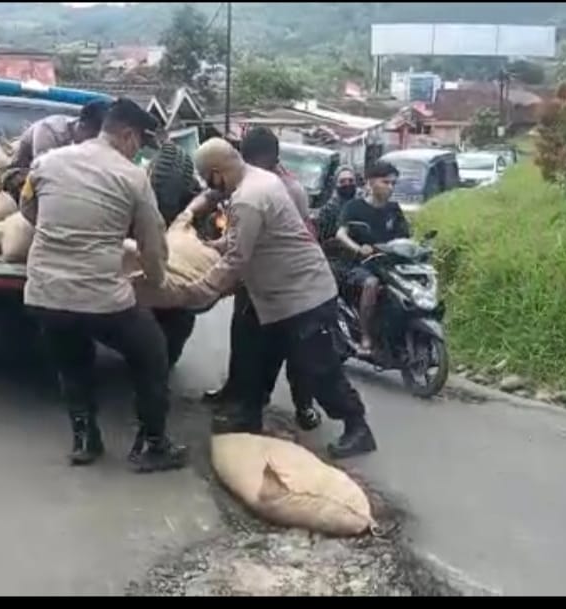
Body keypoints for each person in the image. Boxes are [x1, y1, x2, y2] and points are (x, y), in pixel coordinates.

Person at [172, 138, 377, 459]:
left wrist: (197, 291)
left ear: (217, 172)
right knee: (255, 358)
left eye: (208, 179)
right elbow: (248, 238)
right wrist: (213, 246)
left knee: (318, 367)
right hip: (272, 296)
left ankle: (358, 427)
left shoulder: (249, 197)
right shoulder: (260, 179)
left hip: (303, 295)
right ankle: (248, 417)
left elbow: (237, 260)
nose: (210, 188)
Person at [25, 98, 189, 473]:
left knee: (71, 360)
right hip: (101, 297)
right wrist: (158, 282)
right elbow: (153, 243)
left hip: (44, 293)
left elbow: (28, 210)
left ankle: (85, 439)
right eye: (138, 143)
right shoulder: (133, 177)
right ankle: (153, 444)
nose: (137, 151)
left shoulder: (47, 162)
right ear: (127, 135)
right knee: (152, 353)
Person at [200, 127, 321, 432]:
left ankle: (301, 405)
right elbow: (237, 235)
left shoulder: (285, 188)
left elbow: (264, 244)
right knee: (245, 341)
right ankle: (240, 396)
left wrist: (203, 288)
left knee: (290, 351)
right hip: (256, 278)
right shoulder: (250, 184)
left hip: (285, 284)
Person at [335, 160, 411, 356]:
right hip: (360, 265)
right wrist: (359, 248)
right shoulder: (354, 207)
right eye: (386, 182)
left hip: (388, 264)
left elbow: (406, 237)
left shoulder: (394, 209)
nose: (390, 187)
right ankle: (366, 337)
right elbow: (341, 234)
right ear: (370, 183)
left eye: (393, 183)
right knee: (371, 284)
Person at [10, 100, 110, 170]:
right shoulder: (50, 130)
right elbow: (41, 169)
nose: (97, 143)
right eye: (94, 137)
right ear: (82, 126)